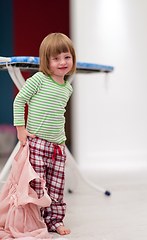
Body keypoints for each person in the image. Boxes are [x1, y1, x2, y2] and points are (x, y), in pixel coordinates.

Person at [13, 33, 76, 235]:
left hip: (58, 146)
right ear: (45, 61)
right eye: (55, 58)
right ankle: (36, 220)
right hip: (38, 143)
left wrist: (62, 142)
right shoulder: (39, 80)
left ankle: (55, 221)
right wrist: (20, 129)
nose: (62, 62)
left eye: (66, 57)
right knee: (38, 186)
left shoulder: (67, 88)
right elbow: (19, 101)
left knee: (57, 187)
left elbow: (58, 116)